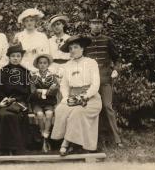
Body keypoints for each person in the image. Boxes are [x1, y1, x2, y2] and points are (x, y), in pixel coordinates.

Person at [51, 35, 102, 156]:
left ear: (82, 48)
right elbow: (64, 85)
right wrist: (66, 97)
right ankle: (68, 141)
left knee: (77, 112)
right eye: (70, 48)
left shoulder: (91, 63)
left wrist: (85, 96)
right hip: (73, 97)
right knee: (60, 109)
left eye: (75, 47)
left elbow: (96, 84)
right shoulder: (68, 65)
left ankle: (66, 144)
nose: (72, 50)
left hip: (91, 99)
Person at [86, 14, 124, 148]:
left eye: (99, 23)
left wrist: (116, 70)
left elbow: (117, 59)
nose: (96, 25)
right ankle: (91, 139)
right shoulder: (85, 41)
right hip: (90, 81)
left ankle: (117, 139)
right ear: (89, 25)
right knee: (89, 108)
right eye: (93, 23)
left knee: (108, 107)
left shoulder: (108, 40)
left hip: (105, 79)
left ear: (102, 25)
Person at [0, 43, 31, 155]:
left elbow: (28, 91)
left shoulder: (26, 72)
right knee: (4, 115)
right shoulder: (1, 72)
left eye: (18, 56)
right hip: (4, 101)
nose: (15, 58)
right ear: (9, 57)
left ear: (21, 57)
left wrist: (16, 100)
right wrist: (4, 99)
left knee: (14, 115)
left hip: (20, 102)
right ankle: (3, 147)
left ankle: (16, 147)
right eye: (13, 56)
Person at [30, 54, 59, 153]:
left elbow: (55, 91)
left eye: (45, 63)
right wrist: (47, 90)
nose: (42, 65)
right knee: (40, 114)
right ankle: (43, 137)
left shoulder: (52, 76)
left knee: (49, 114)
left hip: (49, 102)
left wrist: (41, 90)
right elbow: (33, 91)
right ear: (37, 65)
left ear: (48, 64)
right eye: (40, 63)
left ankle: (46, 134)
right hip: (37, 102)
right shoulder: (34, 77)